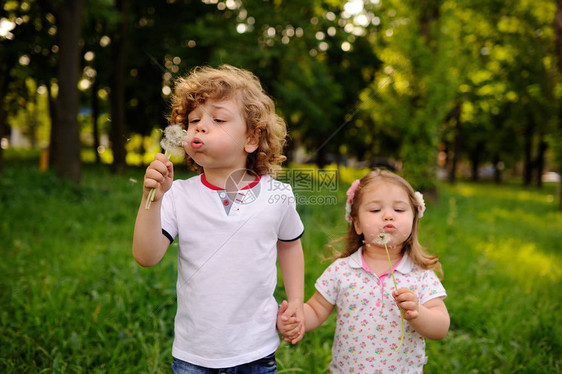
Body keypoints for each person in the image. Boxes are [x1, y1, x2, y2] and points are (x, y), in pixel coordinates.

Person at [133, 65, 305, 373]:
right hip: (195, 356)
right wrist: (153, 201)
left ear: (251, 139)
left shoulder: (278, 195)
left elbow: (290, 246)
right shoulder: (178, 195)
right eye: (194, 120)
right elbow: (146, 256)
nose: (199, 127)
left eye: (218, 119)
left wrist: (296, 300)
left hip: (257, 350)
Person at [277, 169, 449, 373]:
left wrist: (418, 313)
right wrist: (295, 318)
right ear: (357, 223)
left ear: (414, 219)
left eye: (400, 210)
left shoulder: (420, 275)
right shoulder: (342, 271)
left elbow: (441, 327)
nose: (388, 216)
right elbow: (315, 310)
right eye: (375, 210)